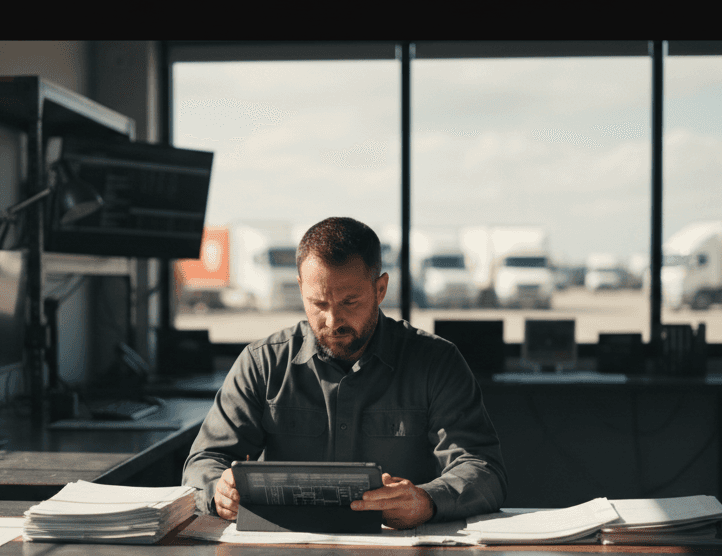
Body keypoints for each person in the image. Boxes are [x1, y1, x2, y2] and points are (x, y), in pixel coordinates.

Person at [183, 216, 508, 531]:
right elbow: (205, 461)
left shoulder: (436, 363)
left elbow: (483, 470)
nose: (332, 320)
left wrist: (425, 501)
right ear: (300, 289)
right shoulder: (263, 363)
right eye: (318, 303)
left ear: (380, 289)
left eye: (350, 301)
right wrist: (218, 491)